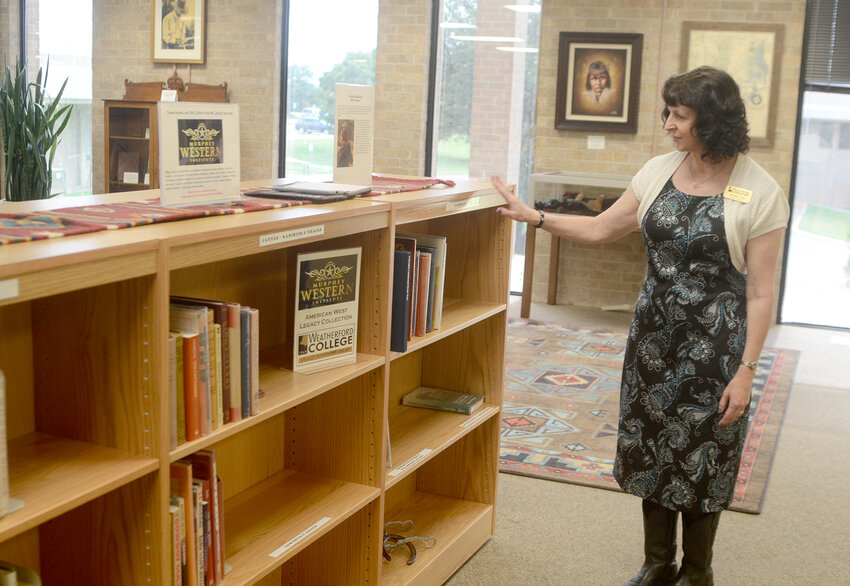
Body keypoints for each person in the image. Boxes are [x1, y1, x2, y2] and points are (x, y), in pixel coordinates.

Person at [493, 66, 789, 585]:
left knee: (703, 456)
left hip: (715, 350)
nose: (668, 124)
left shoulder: (760, 193)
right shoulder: (657, 171)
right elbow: (603, 226)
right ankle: (658, 563)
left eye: (679, 115)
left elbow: (762, 293)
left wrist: (746, 370)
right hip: (653, 341)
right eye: (668, 113)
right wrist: (534, 217)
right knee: (651, 445)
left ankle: (697, 572)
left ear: (712, 121)